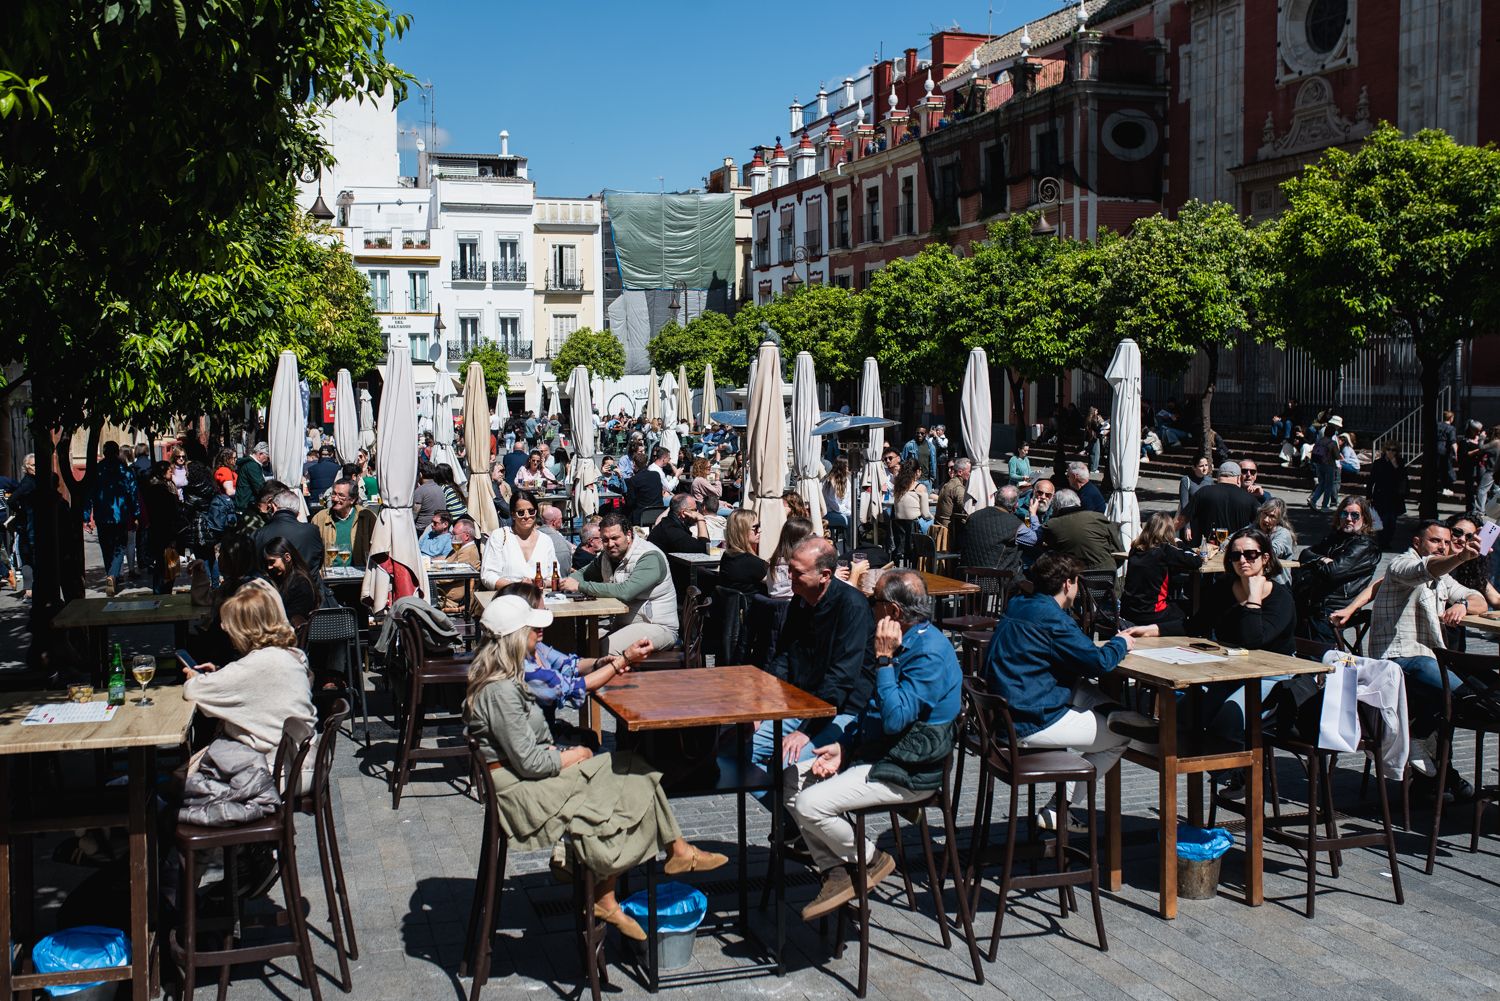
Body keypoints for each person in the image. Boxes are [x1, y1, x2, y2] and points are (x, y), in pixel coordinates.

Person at [463, 594, 726, 941]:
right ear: (517, 635)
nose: (540, 634)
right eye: (532, 628)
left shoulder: (508, 676)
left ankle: (652, 864)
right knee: (632, 775)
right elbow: (530, 763)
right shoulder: (501, 691)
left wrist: (572, 752)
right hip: (520, 793)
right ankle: (617, 880)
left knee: (633, 770)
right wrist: (575, 755)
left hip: (525, 775)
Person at [786, 570, 961, 919]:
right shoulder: (905, 640)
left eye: (874, 602)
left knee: (809, 804)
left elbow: (896, 719)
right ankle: (837, 872)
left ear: (893, 612)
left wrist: (884, 660)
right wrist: (844, 749)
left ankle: (872, 859)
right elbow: (874, 713)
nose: (869, 608)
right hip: (881, 753)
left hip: (909, 768)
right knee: (791, 778)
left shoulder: (928, 653)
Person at [986, 553, 1141, 831]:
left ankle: (1122, 716)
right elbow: (1099, 663)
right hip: (1029, 719)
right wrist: (1120, 642)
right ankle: (1060, 808)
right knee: (1121, 737)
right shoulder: (1053, 619)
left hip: (1008, 709)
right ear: (1068, 584)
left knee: (1085, 690)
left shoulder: (1020, 604)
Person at [1363, 520, 1485, 792]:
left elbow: (1479, 598)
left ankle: (1433, 759)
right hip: (1396, 661)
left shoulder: (1444, 577)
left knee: (1476, 683)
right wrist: (1461, 557)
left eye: (1445, 542)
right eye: (1434, 541)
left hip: (1430, 660)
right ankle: (1433, 760)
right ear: (1417, 543)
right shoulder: (1400, 565)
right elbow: (1424, 569)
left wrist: (1463, 605)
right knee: (1460, 690)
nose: (1442, 547)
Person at [758, 538, 876, 777]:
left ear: (824, 575)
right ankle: (791, 812)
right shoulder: (800, 600)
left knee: (785, 765)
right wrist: (762, 707)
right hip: (803, 704)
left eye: (797, 572)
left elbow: (841, 678)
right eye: (789, 569)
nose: (789, 577)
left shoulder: (852, 606)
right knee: (742, 748)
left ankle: (809, 810)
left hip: (841, 710)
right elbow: (783, 656)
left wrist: (806, 730)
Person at [183, 584, 317, 772]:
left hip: (273, 768)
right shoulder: (291, 655)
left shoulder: (256, 664)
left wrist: (193, 676)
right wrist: (220, 672)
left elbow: (194, 690)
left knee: (185, 775)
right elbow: (254, 684)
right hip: (300, 757)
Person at [499, 581, 649, 742]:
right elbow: (575, 687)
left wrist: (600, 663)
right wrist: (622, 660)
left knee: (589, 738)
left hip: (538, 737)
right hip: (536, 746)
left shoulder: (537, 648)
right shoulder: (522, 666)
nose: (544, 622)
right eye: (538, 616)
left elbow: (570, 664)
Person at [560, 511, 679, 654]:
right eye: (605, 540)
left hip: (657, 626)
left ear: (628, 535)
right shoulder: (607, 556)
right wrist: (563, 582)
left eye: (615, 538)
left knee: (606, 649)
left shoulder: (649, 557)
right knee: (581, 643)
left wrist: (580, 586)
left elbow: (625, 592)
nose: (610, 544)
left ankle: (617, 676)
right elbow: (582, 574)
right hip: (623, 623)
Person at [1291, 496, 1380, 644]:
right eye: (1344, 514)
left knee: (1315, 652)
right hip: (1312, 601)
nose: (1349, 519)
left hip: (1334, 606)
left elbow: (1332, 572)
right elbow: (1305, 554)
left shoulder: (1365, 546)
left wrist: (1316, 563)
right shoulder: (1336, 537)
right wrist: (1322, 560)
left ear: (1364, 518)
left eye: (1355, 515)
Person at [1119, 512, 1200, 630]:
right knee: (1193, 607)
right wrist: (1180, 543)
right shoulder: (1165, 550)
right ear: (1168, 530)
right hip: (1152, 613)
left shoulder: (1135, 548)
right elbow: (1196, 560)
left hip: (1128, 611)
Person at [86, 440, 138, 597]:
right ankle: (112, 575)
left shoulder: (96, 470)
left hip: (102, 515)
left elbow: (89, 493)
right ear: (117, 452)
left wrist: (86, 515)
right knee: (119, 547)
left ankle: (111, 573)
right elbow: (132, 493)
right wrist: (135, 513)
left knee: (106, 547)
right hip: (120, 515)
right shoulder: (125, 470)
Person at [480, 491, 559, 590]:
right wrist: (516, 586)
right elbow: (488, 575)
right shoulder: (499, 536)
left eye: (531, 511)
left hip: (540, 597)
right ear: (513, 515)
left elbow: (555, 575)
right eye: (521, 512)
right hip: (508, 597)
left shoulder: (545, 540)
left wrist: (538, 583)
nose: (526, 516)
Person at [1039, 488, 1117, 576]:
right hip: (1107, 573)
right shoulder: (1098, 517)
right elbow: (1117, 548)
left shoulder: (1052, 525)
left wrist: (1033, 514)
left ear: (1056, 507)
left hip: (1075, 577)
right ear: (1078, 502)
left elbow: (1036, 540)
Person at [1179, 461, 1258, 544]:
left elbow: (1181, 519)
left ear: (1218, 477)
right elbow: (1263, 521)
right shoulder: (1249, 498)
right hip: (1236, 550)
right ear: (1239, 478)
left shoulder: (1203, 492)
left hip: (1208, 549)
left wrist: (1166, 534)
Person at [254, 485, 323, 573]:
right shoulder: (312, 531)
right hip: (308, 584)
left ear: (274, 506)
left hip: (275, 585)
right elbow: (319, 561)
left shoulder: (259, 534)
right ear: (297, 513)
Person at [959, 484, 1024, 574]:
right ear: (1016, 505)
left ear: (995, 499)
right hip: (995, 580)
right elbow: (1034, 539)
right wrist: (1033, 514)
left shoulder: (973, 516)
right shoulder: (1016, 525)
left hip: (966, 576)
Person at [311, 479, 374, 569]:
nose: (335, 499)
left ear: (352, 499)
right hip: (330, 578)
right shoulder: (319, 518)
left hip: (358, 577)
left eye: (341, 495)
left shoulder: (366, 517)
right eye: (333, 494)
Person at [260, 536, 319, 631]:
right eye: (267, 563)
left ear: (287, 557)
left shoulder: (301, 584)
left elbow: (293, 617)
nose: (269, 567)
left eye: (272, 562)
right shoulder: (281, 578)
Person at [1368, 441, 1407, 549]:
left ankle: (1387, 540)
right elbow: (1371, 480)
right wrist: (1369, 496)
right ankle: (1382, 541)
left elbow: (1402, 478)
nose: (1390, 452)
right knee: (1382, 520)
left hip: (1394, 497)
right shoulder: (1378, 463)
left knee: (1392, 522)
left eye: (1393, 450)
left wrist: (1395, 464)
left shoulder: (1400, 462)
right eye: (1388, 449)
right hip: (1380, 495)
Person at [718, 509, 767, 594]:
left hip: (731, 605)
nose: (760, 530)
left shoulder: (727, 556)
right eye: (755, 527)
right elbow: (776, 583)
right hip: (752, 606)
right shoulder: (751, 562)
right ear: (742, 531)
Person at [647, 493, 710, 559]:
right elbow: (705, 548)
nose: (697, 513)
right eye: (694, 510)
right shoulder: (673, 531)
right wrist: (700, 519)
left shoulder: (667, 523)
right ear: (683, 513)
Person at [766, 516, 815, 599]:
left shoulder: (775, 562)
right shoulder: (797, 566)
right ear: (799, 541)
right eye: (811, 536)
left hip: (775, 608)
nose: (814, 539)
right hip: (795, 608)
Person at [1257, 498, 1297, 587]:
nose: (1266, 520)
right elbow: (1232, 538)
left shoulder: (1283, 533)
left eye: (1272, 516)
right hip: (1257, 583)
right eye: (1265, 514)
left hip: (1278, 586)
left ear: (1279, 519)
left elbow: (1273, 551)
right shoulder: (1255, 527)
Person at [1306, 418, 1344, 510]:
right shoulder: (1332, 442)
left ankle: (1313, 500)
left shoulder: (1319, 441)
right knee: (1328, 486)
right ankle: (1324, 506)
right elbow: (1336, 456)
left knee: (1321, 484)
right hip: (1329, 465)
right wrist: (1340, 457)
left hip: (1319, 464)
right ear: (1333, 433)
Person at [933, 458, 971, 543]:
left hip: (940, 527)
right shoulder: (958, 487)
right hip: (950, 532)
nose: (971, 474)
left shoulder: (948, 484)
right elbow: (966, 508)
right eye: (969, 471)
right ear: (960, 472)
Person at [626, 447, 672, 514]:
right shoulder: (656, 475)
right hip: (658, 511)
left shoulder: (633, 480)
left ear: (634, 464)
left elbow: (630, 502)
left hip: (642, 514)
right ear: (646, 463)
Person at [536, 505, 574, 577]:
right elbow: (564, 571)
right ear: (555, 522)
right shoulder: (562, 544)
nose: (562, 521)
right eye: (561, 519)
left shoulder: (534, 535)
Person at [411, 463, 446, 534]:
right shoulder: (439, 488)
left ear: (420, 474)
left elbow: (414, 514)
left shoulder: (420, 491)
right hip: (439, 526)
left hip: (422, 529)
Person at [822, 457, 853, 532]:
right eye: (849, 466)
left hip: (842, 511)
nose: (851, 468)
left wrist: (850, 511)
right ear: (842, 467)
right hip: (828, 513)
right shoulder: (830, 481)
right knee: (849, 520)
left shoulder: (846, 480)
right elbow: (833, 503)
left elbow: (849, 500)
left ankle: (854, 541)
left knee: (854, 518)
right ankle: (851, 542)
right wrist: (848, 512)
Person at [1435, 409, 1458, 497]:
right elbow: (1453, 441)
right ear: (1451, 418)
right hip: (1444, 450)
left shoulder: (1437, 425)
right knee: (1446, 469)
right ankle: (1446, 488)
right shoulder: (1451, 428)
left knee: (1437, 469)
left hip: (1435, 448)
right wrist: (1456, 453)